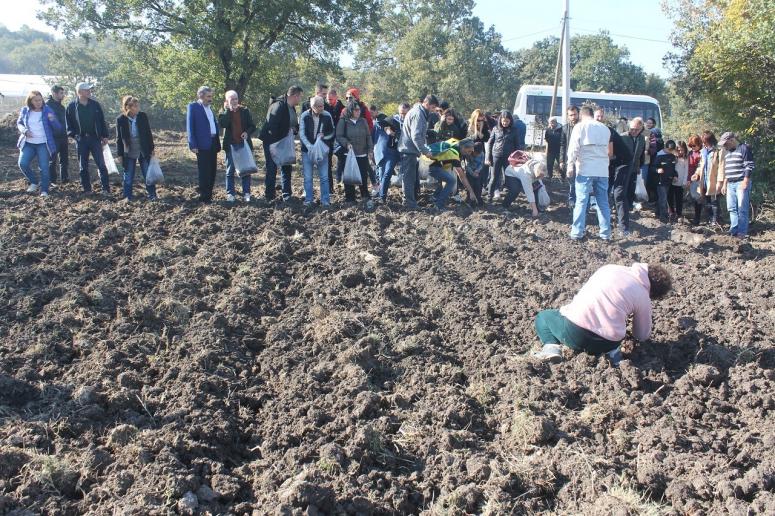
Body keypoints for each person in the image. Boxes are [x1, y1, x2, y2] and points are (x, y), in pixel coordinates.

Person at [532, 263, 672, 364]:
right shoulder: (643, 296)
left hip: (574, 334)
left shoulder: (608, 268)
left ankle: (551, 347)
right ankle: (613, 355)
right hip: (607, 343)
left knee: (543, 317)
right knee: (613, 337)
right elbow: (641, 335)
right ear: (653, 291)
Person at [567, 106, 613, 241]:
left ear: (581, 115)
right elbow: (608, 151)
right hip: (603, 171)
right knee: (603, 202)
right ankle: (605, 234)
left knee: (581, 201)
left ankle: (577, 232)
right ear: (592, 115)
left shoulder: (580, 127)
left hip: (586, 169)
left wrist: (570, 165)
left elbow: (573, 148)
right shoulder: (605, 129)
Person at [66, 82, 111, 195]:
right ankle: (87, 189)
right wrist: (74, 136)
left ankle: (106, 189)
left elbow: (101, 121)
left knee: (101, 164)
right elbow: (68, 124)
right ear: (79, 92)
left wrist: (104, 136)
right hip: (81, 140)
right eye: (87, 90)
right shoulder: (71, 106)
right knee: (83, 165)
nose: (89, 92)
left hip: (95, 139)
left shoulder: (95, 105)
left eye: (89, 90)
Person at [259, 85, 302, 201]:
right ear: (294, 96)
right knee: (272, 168)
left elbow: (295, 124)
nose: (300, 100)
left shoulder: (292, 108)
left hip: (285, 142)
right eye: (299, 97)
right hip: (273, 142)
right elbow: (271, 126)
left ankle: (287, 194)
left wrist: (294, 129)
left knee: (287, 167)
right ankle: (269, 196)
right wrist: (285, 133)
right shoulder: (278, 106)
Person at [16, 90, 62, 198]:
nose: (38, 102)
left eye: (40, 100)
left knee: (44, 167)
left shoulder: (47, 110)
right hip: (28, 143)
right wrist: (25, 131)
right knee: (22, 163)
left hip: (43, 144)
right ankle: (34, 182)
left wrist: (53, 119)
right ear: (30, 101)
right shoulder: (25, 110)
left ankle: (44, 190)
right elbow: (19, 123)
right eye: (35, 100)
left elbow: (58, 127)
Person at [398, 94, 438, 209]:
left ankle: (410, 201)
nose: (434, 110)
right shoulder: (418, 114)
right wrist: (425, 151)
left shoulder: (418, 112)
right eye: (433, 107)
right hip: (409, 150)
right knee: (409, 178)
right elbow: (415, 136)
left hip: (410, 149)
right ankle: (409, 204)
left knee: (412, 178)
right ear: (427, 104)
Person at [218, 90, 257, 202]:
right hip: (230, 145)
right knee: (230, 171)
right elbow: (223, 124)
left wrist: (247, 133)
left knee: (246, 170)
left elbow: (252, 126)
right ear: (227, 101)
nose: (234, 101)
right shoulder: (223, 112)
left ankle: (246, 193)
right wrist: (227, 110)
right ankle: (230, 194)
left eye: (236, 99)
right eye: (232, 99)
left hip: (243, 145)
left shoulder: (245, 111)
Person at [116, 96, 156, 201]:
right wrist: (120, 154)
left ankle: (152, 195)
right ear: (128, 107)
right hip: (129, 150)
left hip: (143, 149)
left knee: (148, 173)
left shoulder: (142, 116)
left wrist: (151, 148)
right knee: (128, 175)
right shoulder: (121, 119)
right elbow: (119, 138)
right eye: (135, 106)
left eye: (138, 105)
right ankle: (127, 196)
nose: (138, 108)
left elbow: (148, 133)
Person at [186, 86, 221, 203]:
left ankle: (209, 195)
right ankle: (204, 197)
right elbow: (190, 127)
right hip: (201, 145)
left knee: (212, 171)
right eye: (208, 96)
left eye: (211, 96)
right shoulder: (193, 107)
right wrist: (192, 144)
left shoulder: (210, 108)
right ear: (201, 96)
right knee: (204, 171)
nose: (211, 99)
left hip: (213, 143)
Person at [336, 100, 374, 206]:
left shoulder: (363, 121)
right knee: (349, 177)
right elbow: (339, 136)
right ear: (350, 110)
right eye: (356, 110)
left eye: (359, 110)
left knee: (363, 176)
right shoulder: (344, 121)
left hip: (362, 153)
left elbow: (368, 136)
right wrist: (347, 143)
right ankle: (350, 199)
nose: (358, 112)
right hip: (349, 154)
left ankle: (365, 196)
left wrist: (370, 150)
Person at [299, 95, 335, 206]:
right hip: (307, 151)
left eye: (323, 105)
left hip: (322, 151)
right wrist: (310, 147)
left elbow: (332, 132)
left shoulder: (327, 116)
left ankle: (325, 201)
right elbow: (302, 133)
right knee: (308, 177)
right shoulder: (305, 116)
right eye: (319, 106)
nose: (322, 108)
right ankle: (309, 200)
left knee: (324, 177)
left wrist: (324, 136)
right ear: (312, 106)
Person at [718, 132, 754, 238]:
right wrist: (725, 184)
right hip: (730, 183)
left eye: (726, 143)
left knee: (742, 208)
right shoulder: (727, 152)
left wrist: (745, 181)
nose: (724, 146)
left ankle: (742, 232)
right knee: (731, 208)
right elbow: (727, 170)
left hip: (741, 182)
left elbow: (749, 165)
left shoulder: (743, 148)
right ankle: (734, 230)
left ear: (732, 140)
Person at [424, 138, 477, 210]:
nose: (470, 153)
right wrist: (471, 192)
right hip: (428, 164)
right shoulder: (454, 154)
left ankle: (435, 197)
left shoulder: (456, 142)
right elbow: (462, 176)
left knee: (446, 177)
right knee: (451, 181)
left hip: (426, 159)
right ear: (463, 148)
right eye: (469, 151)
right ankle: (439, 205)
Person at [617, 118, 647, 236]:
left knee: (630, 191)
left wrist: (639, 166)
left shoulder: (641, 139)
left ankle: (628, 211)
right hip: (622, 169)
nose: (633, 131)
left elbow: (640, 154)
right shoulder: (623, 137)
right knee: (620, 193)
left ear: (641, 129)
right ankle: (619, 214)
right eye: (632, 129)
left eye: (636, 129)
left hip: (634, 169)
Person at [690, 131, 723, 228]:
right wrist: (696, 174)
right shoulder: (703, 151)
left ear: (710, 140)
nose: (704, 144)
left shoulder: (718, 151)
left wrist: (720, 182)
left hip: (714, 180)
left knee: (714, 202)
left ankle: (715, 221)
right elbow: (701, 165)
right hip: (704, 181)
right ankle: (710, 220)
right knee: (707, 202)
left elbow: (721, 167)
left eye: (705, 141)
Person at [485, 110, 520, 201]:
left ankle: (509, 196)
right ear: (500, 120)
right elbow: (490, 143)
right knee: (494, 177)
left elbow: (517, 145)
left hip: (509, 158)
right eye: (503, 121)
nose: (504, 123)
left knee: (509, 177)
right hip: (496, 156)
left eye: (507, 121)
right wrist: (488, 157)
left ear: (510, 121)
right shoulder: (495, 129)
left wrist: (517, 159)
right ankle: (489, 196)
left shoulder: (514, 130)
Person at [374, 114, 402, 202]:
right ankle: (382, 197)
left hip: (401, 152)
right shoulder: (393, 119)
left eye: (404, 113)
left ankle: (413, 195)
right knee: (385, 174)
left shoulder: (407, 121)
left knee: (388, 173)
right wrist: (386, 128)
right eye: (401, 113)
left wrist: (394, 134)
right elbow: (381, 123)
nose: (402, 115)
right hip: (389, 151)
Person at [46, 85, 68, 184]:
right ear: (54, 93)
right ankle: (52, 180)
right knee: (52, 159)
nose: (63, 95)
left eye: (63, 93)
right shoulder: (47, 106)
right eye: (61, 93)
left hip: (63, 136)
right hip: (53, 137)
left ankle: (65, 179)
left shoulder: (62, 107)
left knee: (64, 159)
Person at [559, 105, 580, 207]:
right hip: (570, 159)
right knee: (572, 181)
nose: (573, 117)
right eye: (571, 115)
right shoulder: (564, 128)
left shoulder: (583, 126)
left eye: (575, 114)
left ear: (578, 114)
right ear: (568, 116)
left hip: (582, 158)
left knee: (580, 181)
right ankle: (572, 200)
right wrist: (561, 160)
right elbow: (562, 145)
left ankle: (580, 200)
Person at [653, 140, 678, 223]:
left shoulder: (672, 156)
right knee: (663, 198)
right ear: (665, 148)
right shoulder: (659, 156)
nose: (670, 151)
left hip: (668, 181)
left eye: (672, 150)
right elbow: (652, 168)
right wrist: (657, 170)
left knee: (663, 198)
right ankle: (663, 216)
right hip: (660, 181)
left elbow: (673, 168)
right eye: (669, 150)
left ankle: (658, 212)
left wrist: (675, 175)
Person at [669, 141, 689, 222]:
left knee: (679, 199)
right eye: (678, 150)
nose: (680, 152)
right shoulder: (673, 157)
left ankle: (679, 213)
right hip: (672, 181)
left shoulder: (686, 159)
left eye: (682, 150)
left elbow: (686, 171)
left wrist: (684, 182)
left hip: (680, 182)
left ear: (685, 150)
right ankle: (671, 212)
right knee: (670, 197)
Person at [465, 142, 486, 207]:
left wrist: (477, 170)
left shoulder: (482, 154)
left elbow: (481, 164)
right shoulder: (468, 153)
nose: (476, 154)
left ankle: (478, 200)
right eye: (475, 153)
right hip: (470, 172)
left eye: (478, 153)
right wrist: (472, 173)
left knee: (478, 186)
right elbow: (467, 165)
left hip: (478, 172)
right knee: (470, 185)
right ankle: (469, 200)